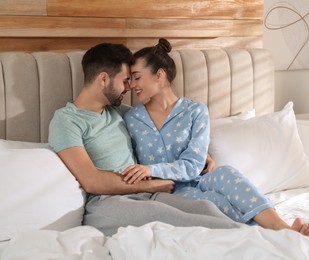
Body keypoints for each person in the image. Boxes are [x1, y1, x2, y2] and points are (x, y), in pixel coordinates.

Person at [123, 38, 309, 239]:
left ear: (159, 75)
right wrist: (151, 173)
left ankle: (284, 229)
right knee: (213, 203)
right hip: (170, 191)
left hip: (200, 178)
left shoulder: (195, 111)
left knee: (227, 173)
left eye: (136, 77)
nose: (131, 85)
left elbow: (193, 164)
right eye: (130, 79)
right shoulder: (132, 118)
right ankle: (284, 236)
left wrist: (153, 168)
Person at [48, 42, 249, 236]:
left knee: (205, 208)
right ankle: (251, 240)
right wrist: (149, 185)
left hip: (145, 195)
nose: (129, 87)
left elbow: (161, 125)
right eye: (125, 80)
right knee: (171, 218)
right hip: (106, 202)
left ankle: (254, 237)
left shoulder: (117, 111)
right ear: (103, 79)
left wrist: (204, 153)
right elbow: (92, 181)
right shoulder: (66, 121)